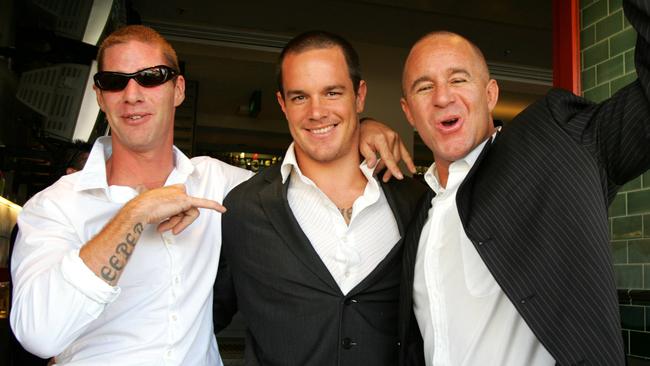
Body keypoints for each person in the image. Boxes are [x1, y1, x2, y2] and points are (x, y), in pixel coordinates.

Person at [10, 25, 412, 365]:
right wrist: (133, 215)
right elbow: (39, 335)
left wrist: (363, 128)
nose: (132, 95)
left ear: (178, 89)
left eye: (150, 77)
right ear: (99, 95)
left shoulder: (223, 185)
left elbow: (312, 167)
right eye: (115, 82)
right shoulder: (53, 207)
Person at [397, 0, 650, 365]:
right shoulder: (414, 212)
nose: (442, 97)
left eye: (458, 79)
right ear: (408, 112)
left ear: (491, 94)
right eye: (424, 88)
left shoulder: (558, 146)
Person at [214, 31, 426, 366]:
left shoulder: (415, 203)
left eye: (332, 93)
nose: (316, 112)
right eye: (300, 97)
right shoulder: (243, 207)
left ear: (359, 96)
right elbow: (201, 318)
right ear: (283, 104)